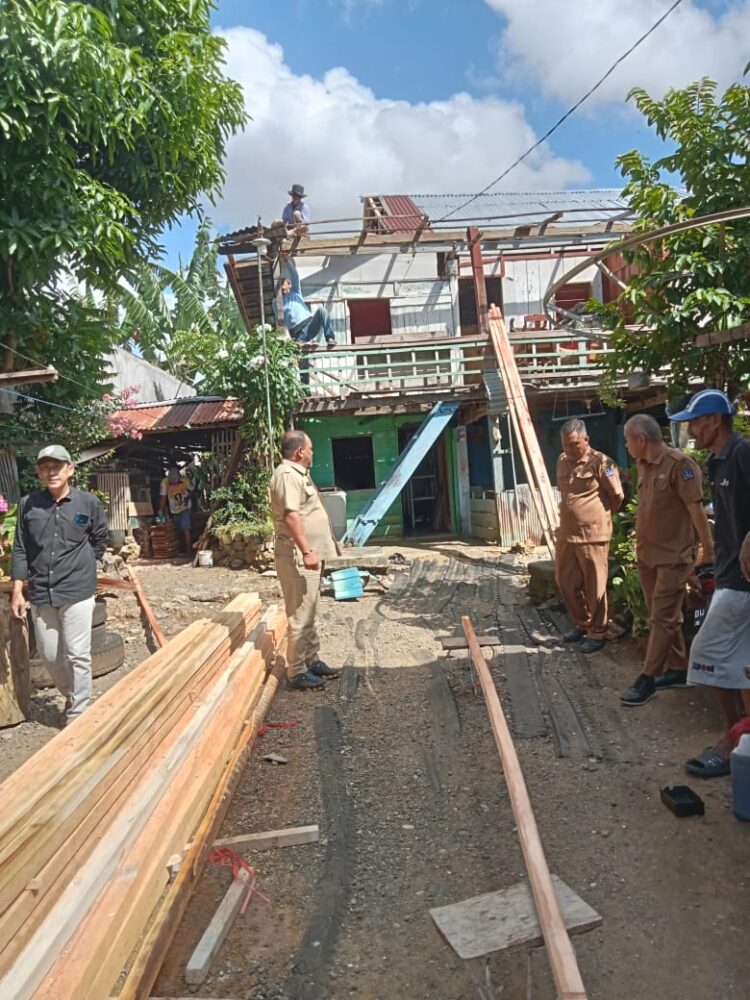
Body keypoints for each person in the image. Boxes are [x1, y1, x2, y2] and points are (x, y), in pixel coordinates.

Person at [666, 390, 750, 777]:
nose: (691, 429)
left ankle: (733, 739)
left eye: (696, 422)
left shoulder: (742, 454)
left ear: (715, 421)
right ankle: (738, 739)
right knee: (740, 662)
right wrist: (711, 557)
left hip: (744, 582)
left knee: (706, 652)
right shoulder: (717, 463)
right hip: (731, 574)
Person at [619, 413, 714, 707]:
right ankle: (677, 668)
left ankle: (648, 679)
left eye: (627, 440)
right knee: (661, 615)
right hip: (649, 556)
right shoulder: (643, 465)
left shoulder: (681, 466)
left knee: (661, 617)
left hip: (674, 558)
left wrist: (707, 553)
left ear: (641, 440)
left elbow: (697, 511)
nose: (626, 446)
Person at [10, 445, 107, 725]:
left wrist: (87, 564)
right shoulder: (29, 504)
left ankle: (78, 714)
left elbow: (99, 539)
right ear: (39, 472)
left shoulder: (87, 503)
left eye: (57, 466)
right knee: (51, 656)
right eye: (45, 467)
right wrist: (17, 591)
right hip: (42, 591)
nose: (51, 472)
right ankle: (72, 694)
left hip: (77, 590)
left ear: (70, 470)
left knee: (77, 653)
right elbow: (20, 549)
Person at [270, 430, 340, 690]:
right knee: (300, 612)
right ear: (300, 451)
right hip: (297, 555)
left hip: (306, 555)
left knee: (309, 609)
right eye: (310, 449)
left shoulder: (297, 475)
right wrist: (307, 551)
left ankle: (311, 660)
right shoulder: (288, 475)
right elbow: (291, 515)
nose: (312, 453)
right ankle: (296, 670)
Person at [554, 418, 624, 654]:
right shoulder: (562, 461)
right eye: (565, 445)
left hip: (593, 535)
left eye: (574, 444)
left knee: (595, 586)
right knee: (565, 582)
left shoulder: (601, 462)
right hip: (567, 534)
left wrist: (599, 518)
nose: (569, 449)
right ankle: (582, 624)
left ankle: (598, 632)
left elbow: (617, 496)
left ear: (586, 439)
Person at [276, 257, 336, 350]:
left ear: (289, 285)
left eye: (283, 283)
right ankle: (304, 342)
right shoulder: (277, 300)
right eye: (280, 284)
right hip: (297, 332)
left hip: (309, 324)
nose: (281, 285)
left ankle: (330, 337)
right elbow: (279, 321)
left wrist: (287, 261)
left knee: (322, 310)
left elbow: (295, 275)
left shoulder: (295, 292)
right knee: (301, 344)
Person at [159, 463, 194, 553]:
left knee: (186, 528)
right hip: (173, 509)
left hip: (185, 507)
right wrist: (160, 511)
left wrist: (187, 499)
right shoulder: (164, 482)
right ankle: (180, 548)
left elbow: (192, 491)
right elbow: (163, 498)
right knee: (178, 528)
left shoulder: (185, 480)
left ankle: (188, 549)